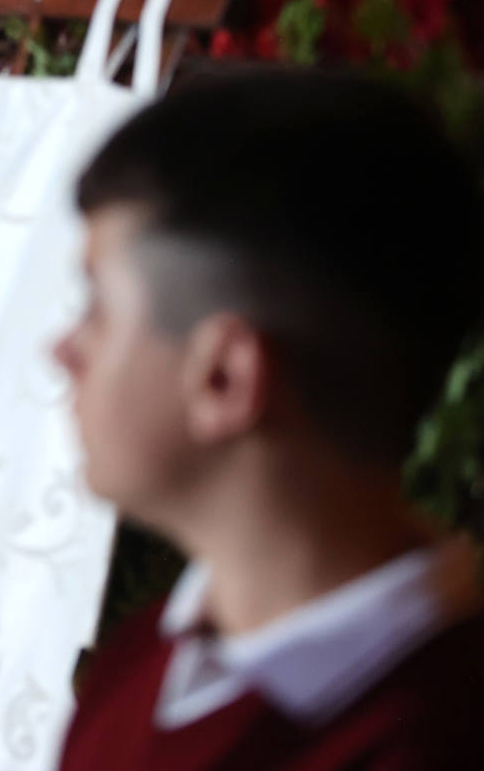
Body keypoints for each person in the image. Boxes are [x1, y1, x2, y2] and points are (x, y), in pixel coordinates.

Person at [52, 70, 484, 770]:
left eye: (96, 307)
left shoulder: (427, 735)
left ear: (224, 376)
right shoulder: (144, 664)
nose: (61, 349)